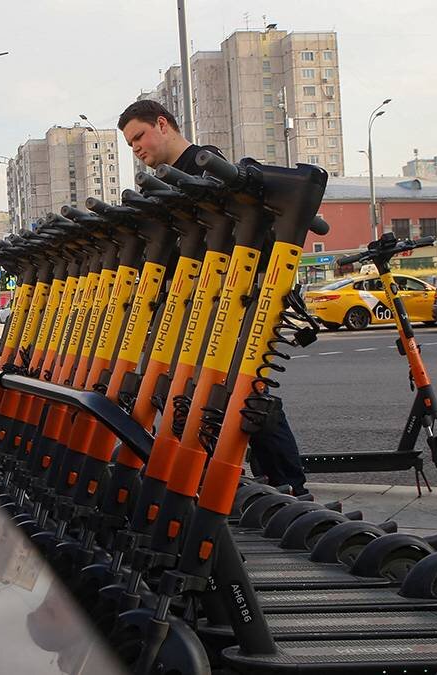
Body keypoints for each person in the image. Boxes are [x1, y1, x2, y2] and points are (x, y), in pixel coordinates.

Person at [117, 99, 308, 496]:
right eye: (129, 143)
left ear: (163, 124)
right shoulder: (169, 179)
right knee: (195, 391)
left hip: (227, 301)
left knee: (243, 392)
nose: (135, 147)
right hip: (194, 303)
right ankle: (224, 475)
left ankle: (288, 482)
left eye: (139, 136)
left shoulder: (207, 167)